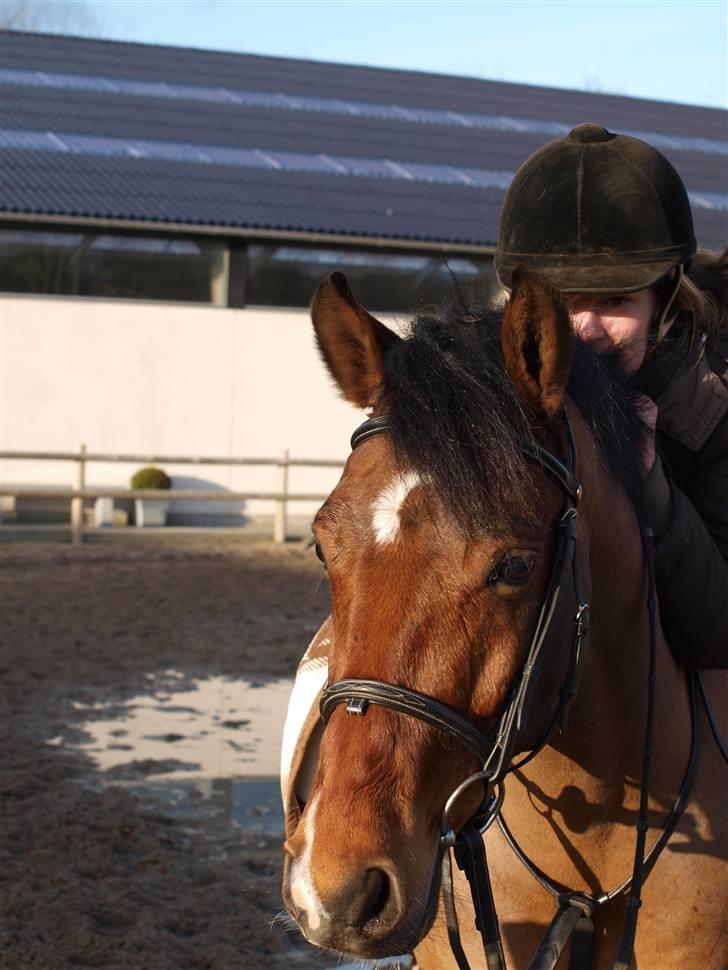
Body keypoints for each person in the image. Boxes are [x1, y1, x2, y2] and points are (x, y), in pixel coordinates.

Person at [494, 122, 728, 669]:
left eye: (617, 300)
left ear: (666, 298)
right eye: (563, 302)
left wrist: (649, 481)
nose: (585, 330)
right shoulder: (501, 381)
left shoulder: (714, 405)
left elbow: (718, 630)